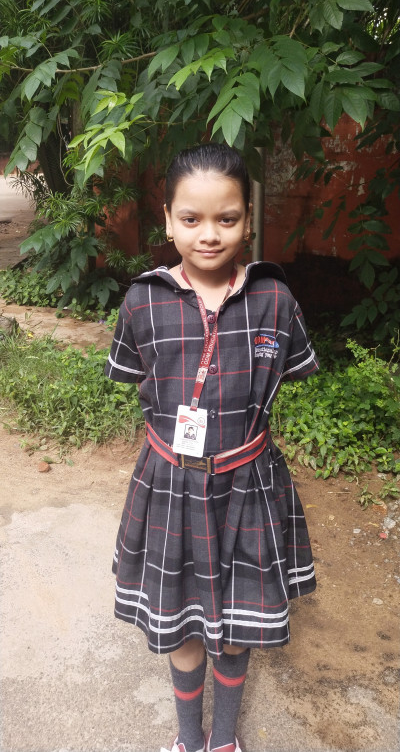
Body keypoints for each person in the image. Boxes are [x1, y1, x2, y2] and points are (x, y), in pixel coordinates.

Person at [105, 143, 319, 752]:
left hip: (249, 484)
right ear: (167, 220)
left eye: (227, 218)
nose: (209, 234)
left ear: (248, 219)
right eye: (191, 218)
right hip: (169, 485)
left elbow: (286, 373)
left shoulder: (275, 300)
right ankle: (187, 738)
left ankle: (223, 740)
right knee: (182, 622)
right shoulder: (142, 301)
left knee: (237, 624)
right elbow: (137, 380)